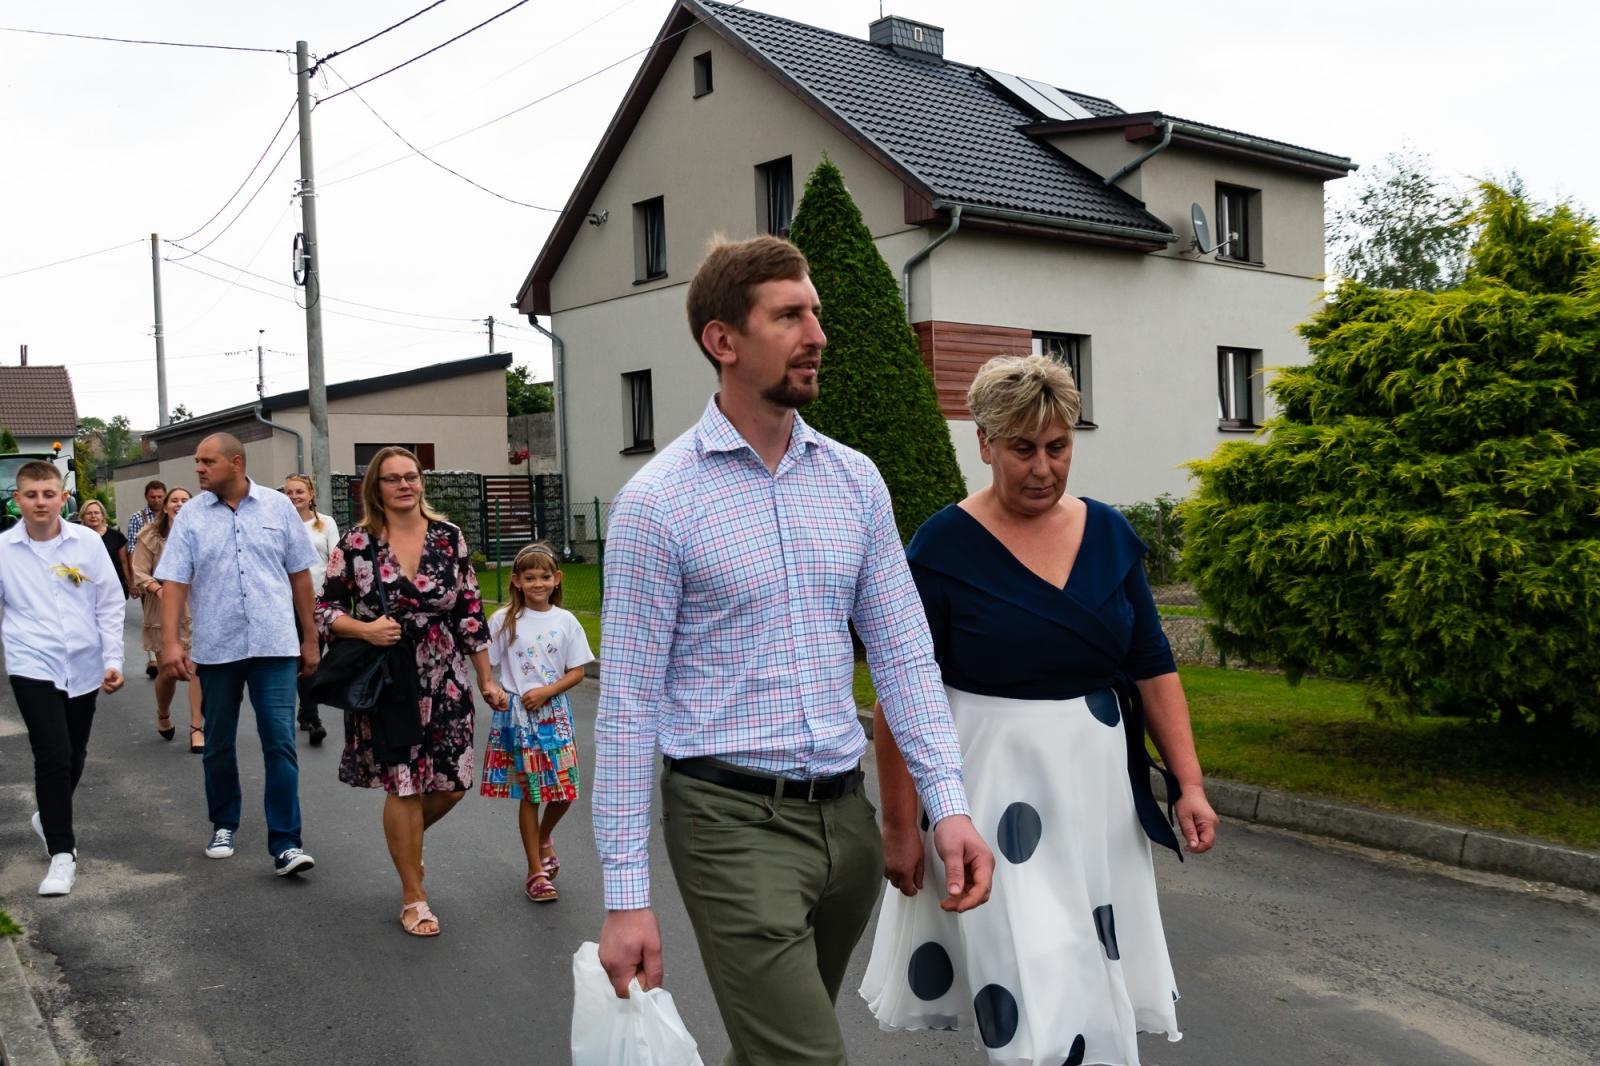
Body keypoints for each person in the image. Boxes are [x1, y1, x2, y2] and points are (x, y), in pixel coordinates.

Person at [594, 235, 994, 1063]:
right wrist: (626, 897)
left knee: (768, 1051)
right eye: (789, 316)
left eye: (815, 312)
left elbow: (904, 655)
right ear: (723, 340)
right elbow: (627, 708)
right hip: (729, 823)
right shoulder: (657, 504)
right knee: (807, 1057)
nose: (818, 334)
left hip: (845, 823)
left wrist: (946, 804)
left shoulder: (854, 480)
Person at [860, 355, 1220, 1066]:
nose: (1043, 467)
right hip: (993, 796)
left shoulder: (1109, 534)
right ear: (985, 443)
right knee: (1034, 981)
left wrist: (1190, 783)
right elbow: (902, 692)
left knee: (1085, 968)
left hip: (1097, 795)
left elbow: (1152, 663)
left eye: (1057, 447)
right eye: (1022, 448)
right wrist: (899, 826)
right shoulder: (941, 548)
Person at [316, 446, 508, 936]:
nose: (405, 485)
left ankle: (406, 846)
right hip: (390, 677)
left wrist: (485, 677)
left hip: (445, 674)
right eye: (393, 478)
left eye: (412, 476)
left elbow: (469, 610)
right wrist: (365, 629)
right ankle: (413, 896)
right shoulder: (357, 543)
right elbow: (325, 611)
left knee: (453, 783)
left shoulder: (449, 537)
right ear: (375, 488)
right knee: (403, 782)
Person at [154, 434, 322, 876]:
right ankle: (224, 824)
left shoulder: (277, 507)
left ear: (235, 462)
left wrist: (310, 637)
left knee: (280, 743)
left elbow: (300, 575)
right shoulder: (191, 516)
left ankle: (286, 843)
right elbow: (174, 581)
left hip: (274, 644)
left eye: (207, 461)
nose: (199, 468)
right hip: (217, 647)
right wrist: (170, 644)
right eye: (197, 461)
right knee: (218, 742)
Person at [0, 461, 125, 896]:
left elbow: (109, 602)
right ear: (17, 499)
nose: (40, 502)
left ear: (62, 497)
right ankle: (62, 854)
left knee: (73, 753)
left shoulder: (87, 543)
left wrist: (113, 658)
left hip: (85, 663)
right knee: (52, 754)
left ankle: (49, 816)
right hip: (31, 662)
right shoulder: (3, 550)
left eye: (48, 494)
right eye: (31, 495)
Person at [481, 542, 594, 904]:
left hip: (554, 713)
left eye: (544, 577)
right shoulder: (504, 620)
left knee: (564, 791)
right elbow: (484, 660)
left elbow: (577, 670)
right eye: (529, 578)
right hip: (518, 716)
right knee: (532, 793)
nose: (538, 584)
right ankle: (535, 872)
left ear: (557, 578)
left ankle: (544, 837)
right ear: (516, 581)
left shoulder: (566, 621)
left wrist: (547, 691)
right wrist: (493, 689)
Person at [132, 488, 203, 750]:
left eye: (185, 500)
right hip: (162, 606)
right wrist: (161, 590)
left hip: (196, 604)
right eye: (175, 500)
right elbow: (139, 572)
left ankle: (196, 727)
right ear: (165, 506)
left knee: (196, 670)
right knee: (169, 672)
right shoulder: (150, 535)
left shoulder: (201, 532)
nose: (180, 504)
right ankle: (163, 713)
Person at [283, 473, 337, 746]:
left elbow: (336, 560)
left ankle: (306, 708)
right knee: (300, 657)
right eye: (289, 492)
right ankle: (313, 718)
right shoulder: (280, 523)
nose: (294, 497)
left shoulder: (325, 523)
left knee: (314, 657)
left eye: (299, 492)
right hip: (288, 601)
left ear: (311, 494)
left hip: (320, 601)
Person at [125, 479, 165, 678]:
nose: (156, 500)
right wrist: (134, 580)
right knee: (150, 616)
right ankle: (154, 658)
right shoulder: (138, 518)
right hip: (148, 576)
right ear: (146, 497)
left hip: (170, 575)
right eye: (153, 497)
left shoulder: (172, 515)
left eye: (160, 497)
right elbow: (132, 548)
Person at [76, 500, 129, 600]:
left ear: (103, 515)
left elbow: (124, 562)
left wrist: (131, 583)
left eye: (96, 513)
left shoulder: (116, 536)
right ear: (82, 516)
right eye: (89, 513)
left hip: (114, 588)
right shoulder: (76, 537)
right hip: (86, 589)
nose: (93, 516)